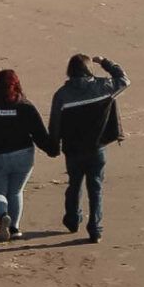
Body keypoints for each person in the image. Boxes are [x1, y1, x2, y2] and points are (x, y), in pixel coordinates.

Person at [0, 69, 56, 241]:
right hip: (22, 156)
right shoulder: (25, 106)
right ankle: (14, 228)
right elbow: (39, 133)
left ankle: (2, 216)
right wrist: (51, 149)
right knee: (15, 192)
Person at [49, 53, 126, 244]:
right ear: (88, 69)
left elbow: (55, 124)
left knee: (74, 185)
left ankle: (73, 220)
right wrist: (105, 62)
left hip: (73, 150)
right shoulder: (103, 86)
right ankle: (95, 229)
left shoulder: (62, 95)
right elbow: (124, 80)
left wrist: (54, 146)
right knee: (96, 188)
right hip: (96, 149)